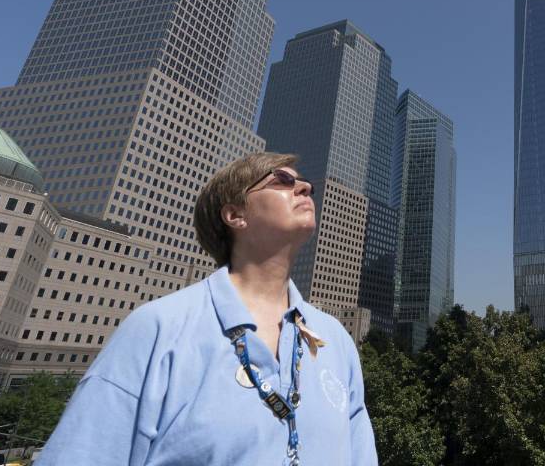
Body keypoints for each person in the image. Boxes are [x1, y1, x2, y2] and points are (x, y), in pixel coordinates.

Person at [38, 152, 378, 465]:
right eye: (282, 180)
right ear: (235, 215)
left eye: (305, 184)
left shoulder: (334, 339)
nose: (304, 187)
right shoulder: (158, 327)